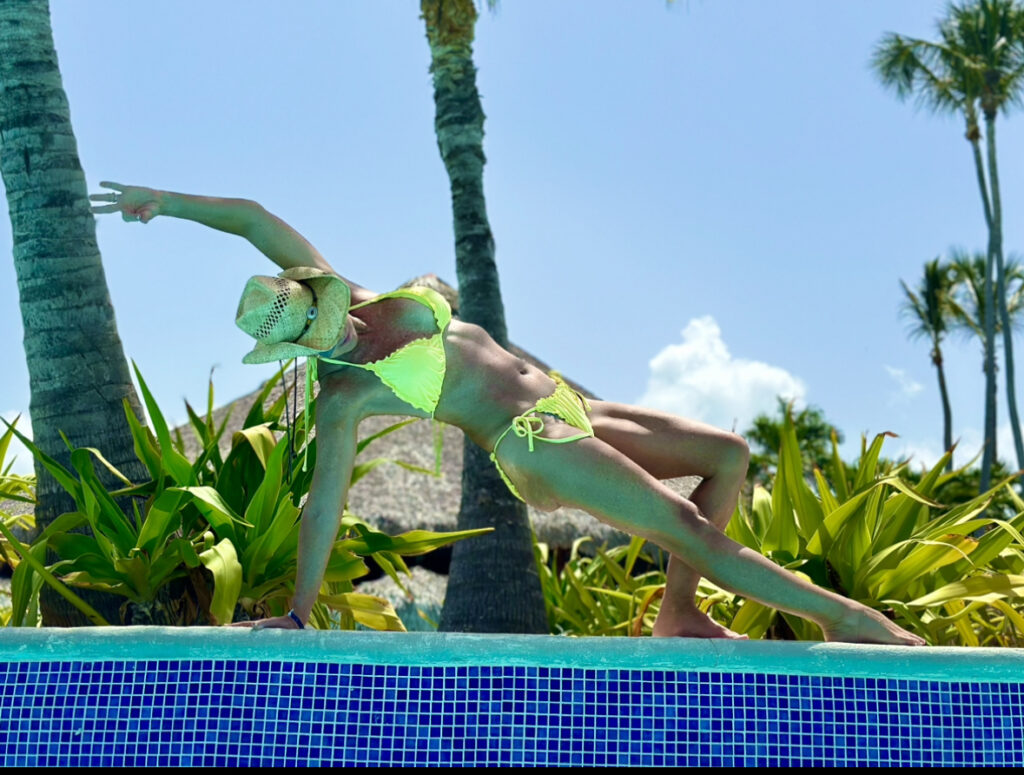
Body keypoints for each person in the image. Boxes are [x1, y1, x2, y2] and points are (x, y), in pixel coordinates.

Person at [90, 181, 925, 646]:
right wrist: (303, 609)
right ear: (301, 348)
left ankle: (680, 612)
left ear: (319, 290)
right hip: (529, 441)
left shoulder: (360, 293)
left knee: (729, 455)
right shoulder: (343, 393)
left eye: (318, 305)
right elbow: (324, 503)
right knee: (683, 522)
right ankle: (854, 621)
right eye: (312, 331)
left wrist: (166, 202)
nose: (328, 323)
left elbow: (253, 219)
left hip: (570, 403)